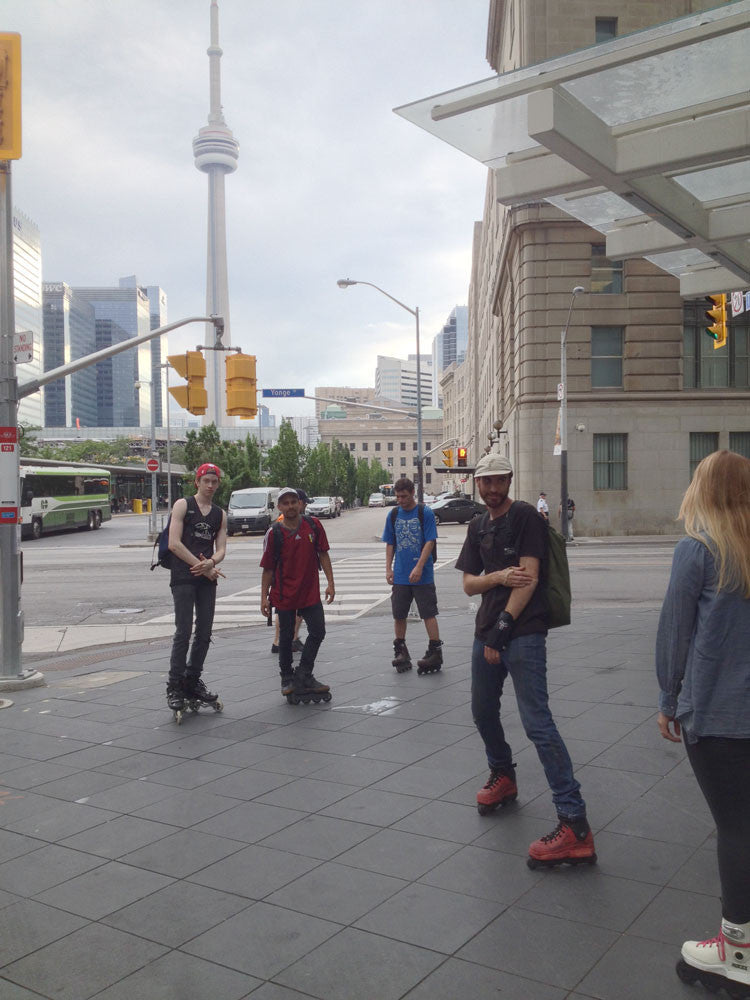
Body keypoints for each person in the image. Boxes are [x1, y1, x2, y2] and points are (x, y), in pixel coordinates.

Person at [455, 452, 595, 868]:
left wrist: (502, 628)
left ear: (510, 480)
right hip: (487, 632)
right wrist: (497, 577)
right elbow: (467, 584)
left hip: (524, 632)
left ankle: (574, 822)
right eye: (486, 482)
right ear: (477, 485)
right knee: (482, 711)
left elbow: (530, 577)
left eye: (499, 481)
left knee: (538, 723)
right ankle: (503, 775)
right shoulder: (478, 524)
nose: (493, 489)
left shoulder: (527, 519)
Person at [656, 450, 750, 996]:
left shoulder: (698, 549)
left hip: (718, 716)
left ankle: (736, 952)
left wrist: (668, 699)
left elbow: (675, 633)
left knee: (736, 828)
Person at [260, 487, 335, 699]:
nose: (291, 506)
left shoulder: (313, 525)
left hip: (309, 592)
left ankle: (304, 673)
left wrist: (330, 582)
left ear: (300, 504)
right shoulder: (274, 533)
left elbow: (323, 554)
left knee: (318, 631)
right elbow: (268, 568)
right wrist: (263, 597)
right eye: (286, 502)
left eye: (294, 501)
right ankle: (287, 677)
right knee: (285, 638)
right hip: (284, 593)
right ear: (279, 507)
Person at [165, 462, 227, 712]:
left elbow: (222, 547)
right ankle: (174, 684)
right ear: (197, 482)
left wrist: (211, 563)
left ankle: (192, 679)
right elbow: (174, 543)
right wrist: (202, 566)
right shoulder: (183, 505)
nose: (210, 485)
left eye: (214, 482)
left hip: (206, 579)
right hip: (183, 576)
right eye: (206, 481)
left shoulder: (219, 514)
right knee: (183, 631)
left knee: (204, 632)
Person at [382, 477, 443, 674]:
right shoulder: (393, 514)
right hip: (400, 574)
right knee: (399, 614)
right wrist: (388, 568)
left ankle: (435, 650)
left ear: (412, 494)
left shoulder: (423, 512)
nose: (400, 500)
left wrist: (419, 566)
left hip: (422, 575)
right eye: (398, 496)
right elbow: (390, 543)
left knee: (428, 613)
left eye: (404, 496)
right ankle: (400, 650)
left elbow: (430, 541)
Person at [270, 488, 310, 655]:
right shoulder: (281, 524)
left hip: (289, 576)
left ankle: (285, 639)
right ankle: (284, 640)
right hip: (285, 577)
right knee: (292, 610)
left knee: (288, 611)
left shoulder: (298, 521)